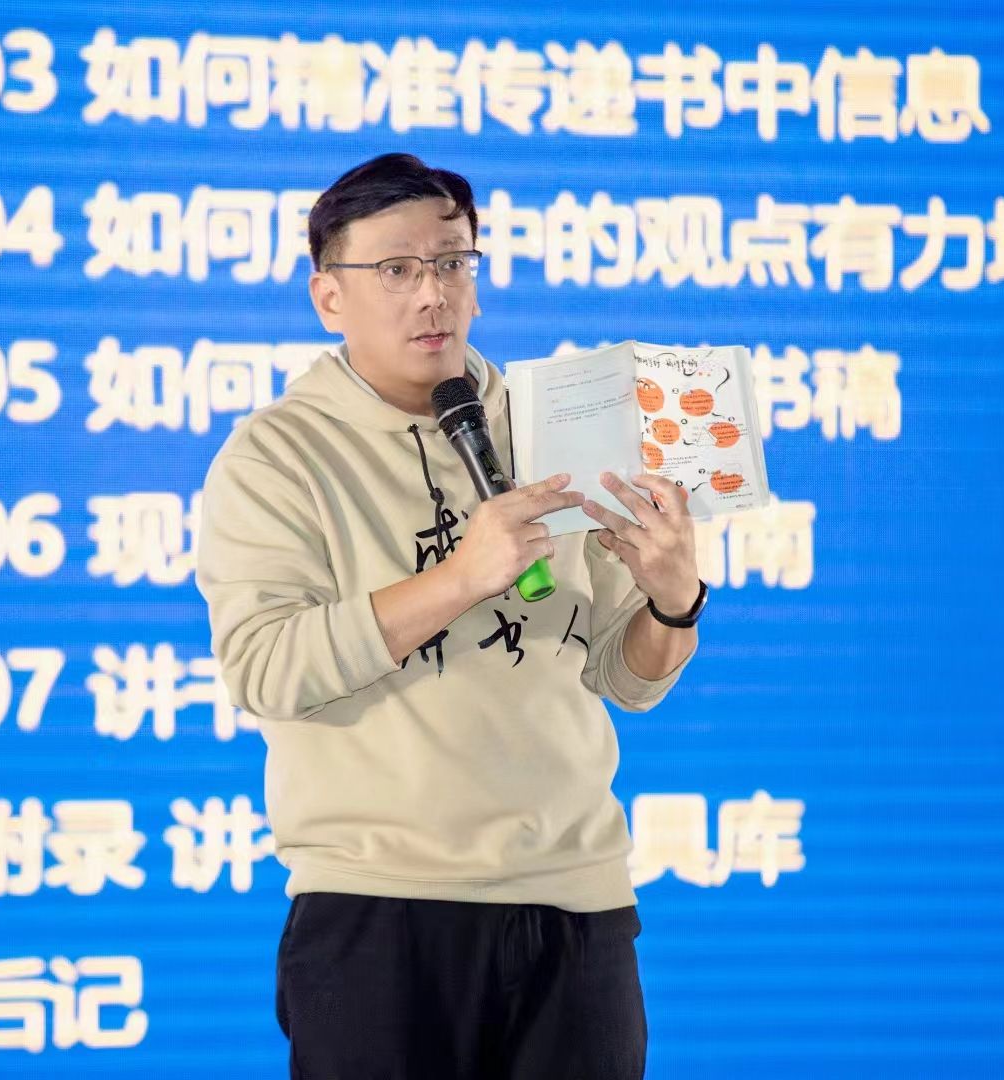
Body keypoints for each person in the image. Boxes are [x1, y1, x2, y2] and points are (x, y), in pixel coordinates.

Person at [195, 152, 708, 1080]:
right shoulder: (276, 456)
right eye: (396, 269)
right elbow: (266, 669)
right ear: (328, 297)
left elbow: (624, 678)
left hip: (576, 904)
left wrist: (675, 600)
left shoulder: (555, 430)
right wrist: (461, 578)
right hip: (379, 910)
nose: (432, 292)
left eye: (451, 263)